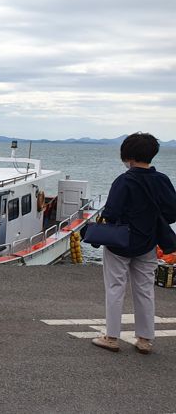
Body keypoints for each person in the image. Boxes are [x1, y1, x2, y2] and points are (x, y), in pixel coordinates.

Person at [91, 132, 176, 354]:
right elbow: (171, 212)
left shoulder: (124, 180)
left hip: (120, 242)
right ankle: (145, 339)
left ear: (127, 156)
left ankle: (111, 337)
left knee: (115, 287)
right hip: (148, 242)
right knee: (145, 289)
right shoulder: (162, 180)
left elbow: (111, 212)